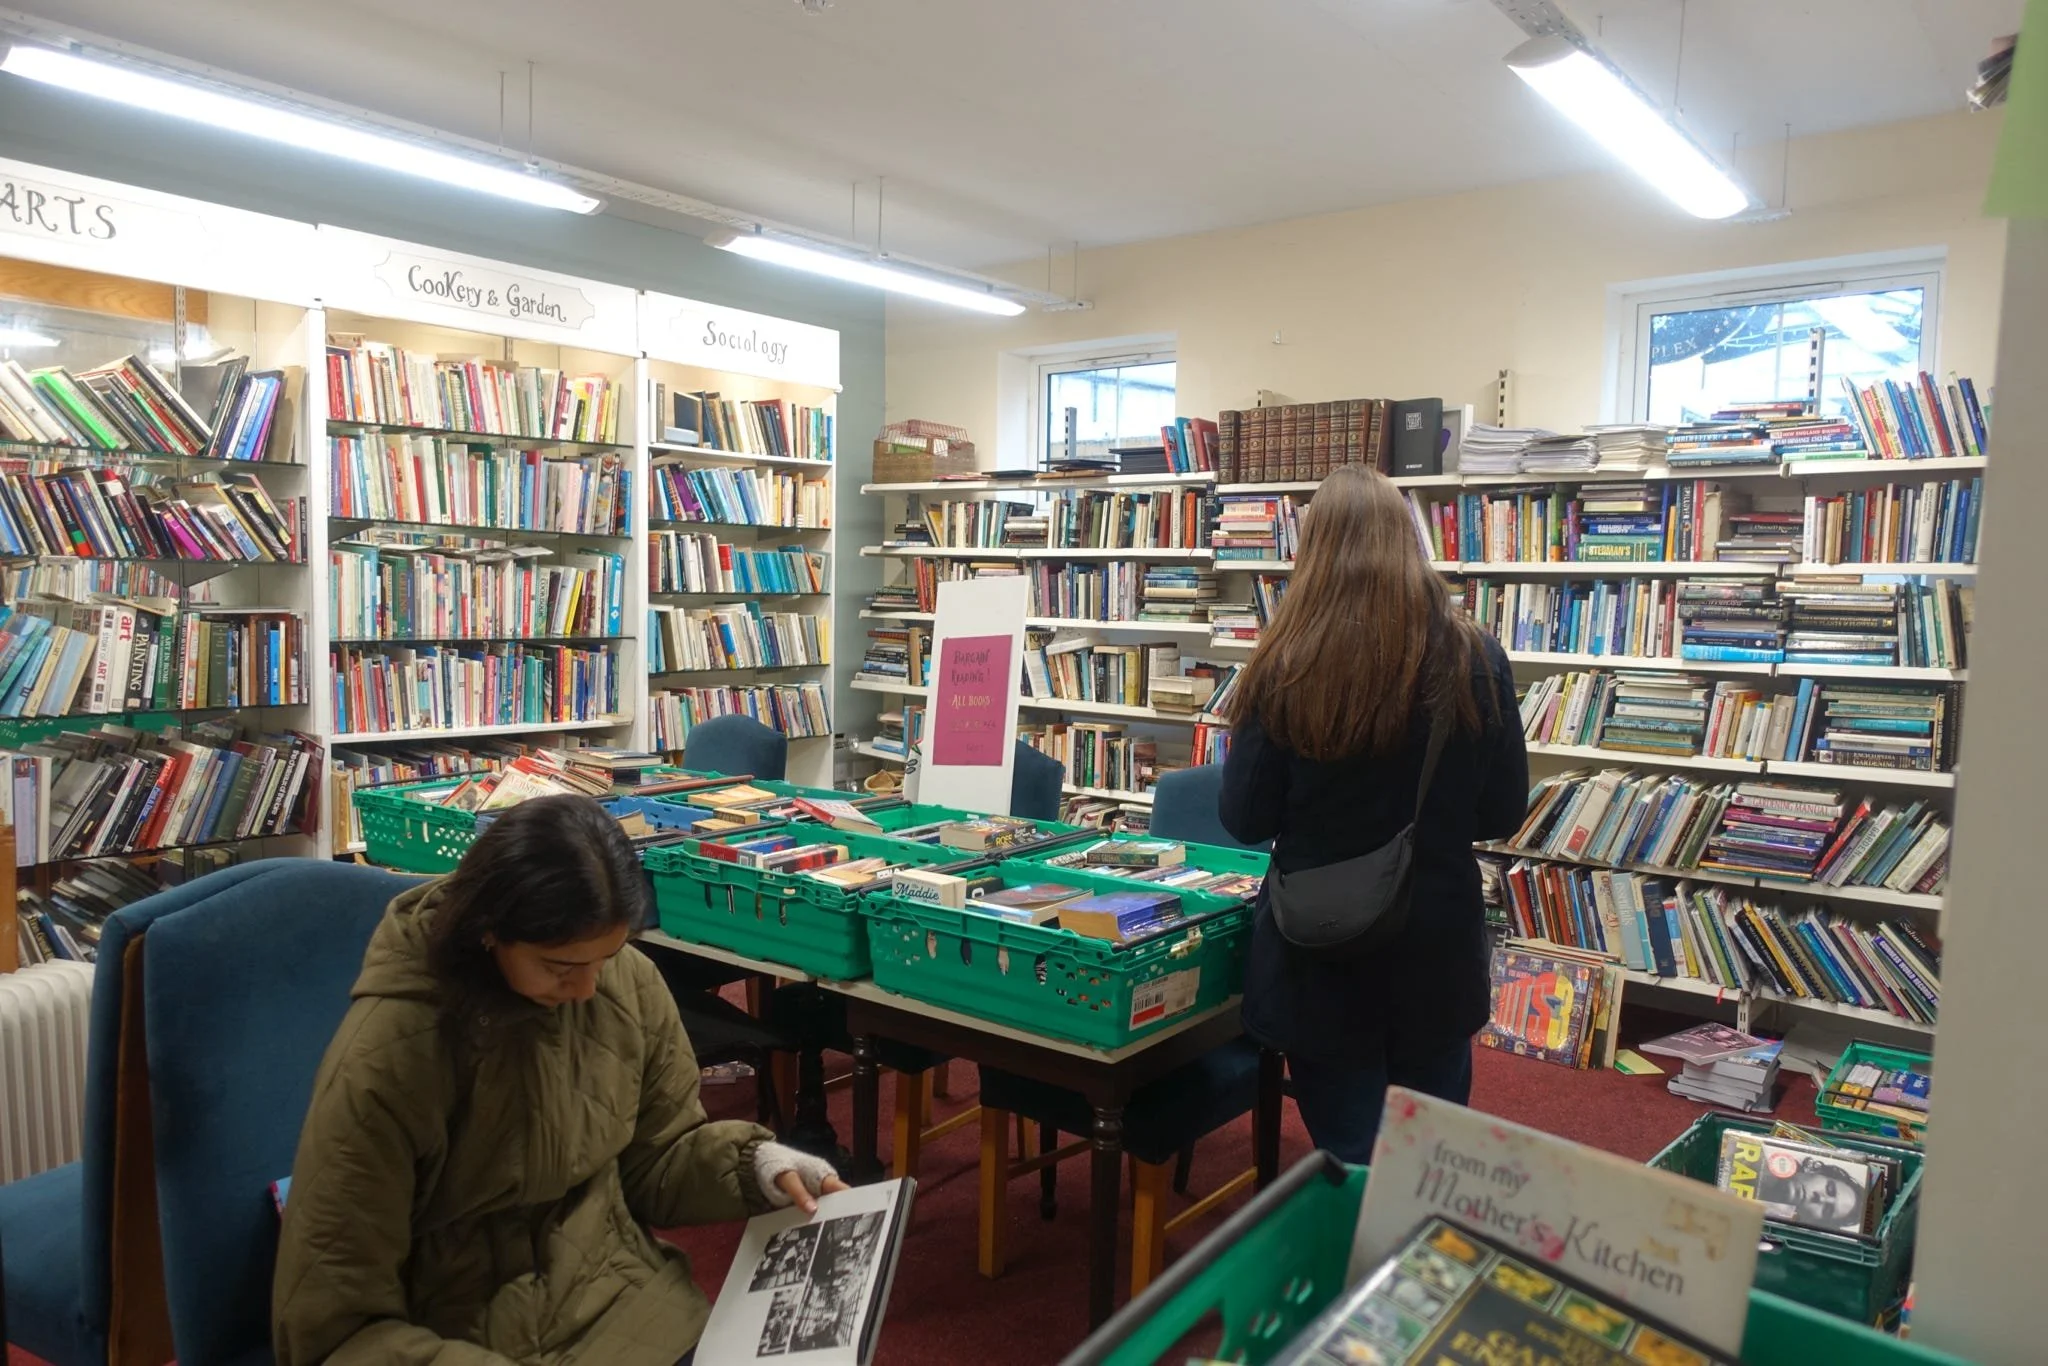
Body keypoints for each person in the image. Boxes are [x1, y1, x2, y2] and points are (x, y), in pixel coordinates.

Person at [273, 795, 845, 1366]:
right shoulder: (391, 1053)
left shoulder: (628, 983)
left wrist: (756, 1166)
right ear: (489, 931)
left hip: (626, 1303)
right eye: (560, 967)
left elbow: (657, 1156)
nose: (589, 989)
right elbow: (333, 1326)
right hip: (459, 1336)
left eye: (607, 957)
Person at [1219, 464, 1528, 1163]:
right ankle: (1416, 1268)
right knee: (1431, 1163)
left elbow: (1243, 817)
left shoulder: (1285, 662)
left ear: (1312, 550)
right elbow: (1503, 809)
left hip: (1322, 955)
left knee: (1351, 1153)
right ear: (1409, 540)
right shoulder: (1475, 655)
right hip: (1436, 947)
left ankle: (1355, 1268)